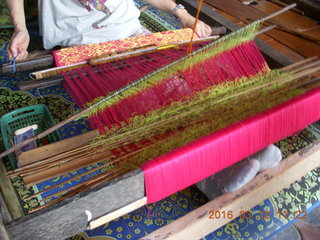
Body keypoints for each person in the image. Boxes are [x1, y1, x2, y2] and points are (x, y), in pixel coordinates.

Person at [6, 0, 212, 61]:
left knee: (177, 73)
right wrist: (21, 28)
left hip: (131, 32)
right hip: (82, 42)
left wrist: (183, 15)